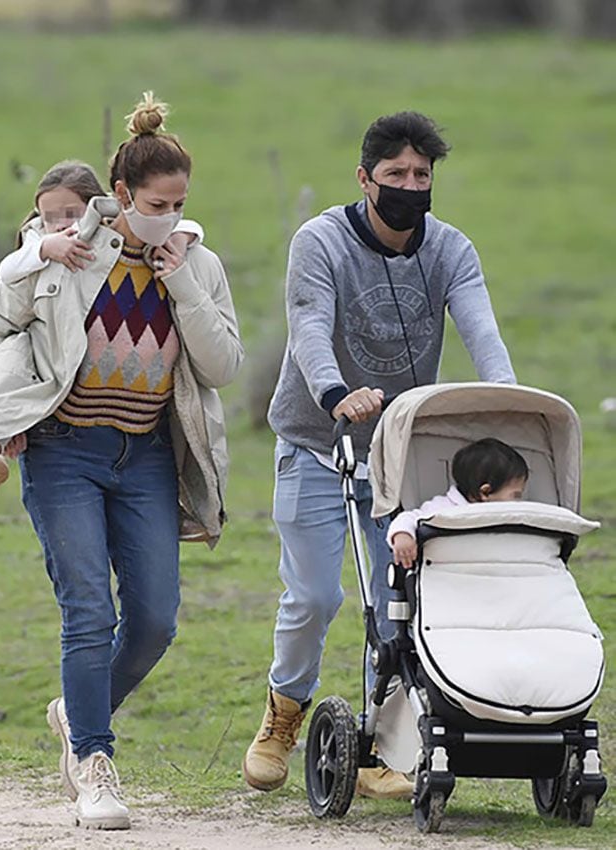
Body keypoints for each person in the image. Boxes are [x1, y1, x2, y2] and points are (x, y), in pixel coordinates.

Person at [0, 92, 243, 830]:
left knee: (153, 620)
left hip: (148, 455)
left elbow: (221, 367)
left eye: (181, 201)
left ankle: (74, 708)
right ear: (120, 196)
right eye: (158, 202)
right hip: (64, 453)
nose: (172, 213)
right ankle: (94, 761)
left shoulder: (197, 263)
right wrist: (9, 410)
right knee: (88, 610)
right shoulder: (68, 252)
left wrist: (181, 276)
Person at [243, 111, 516, 801]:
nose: (408, 186)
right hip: (316, 437)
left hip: (398, 451)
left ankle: (383, 738)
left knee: (393, 601)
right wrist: (336, 392)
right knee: (312, 595)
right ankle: (282, 714)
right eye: (394, 175)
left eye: (420, 175)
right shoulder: (321, 242)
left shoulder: (450, 249)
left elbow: (480, 328)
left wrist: (508, 400)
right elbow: (308, 322)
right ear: (364, 179)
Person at [0, 159, 205, 501]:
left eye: (71, 213)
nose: (60, 224)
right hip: (40, 381)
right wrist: (45, 249)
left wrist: (182, 235)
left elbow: (184, 222)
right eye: (49, 216)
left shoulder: (118, 237)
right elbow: (6, 273)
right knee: (8, 363)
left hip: (138, 431)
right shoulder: (41, 244)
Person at [388, 438, 529, 569]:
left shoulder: (512, 516)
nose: (519, 503)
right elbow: (410, 518)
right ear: (485, 492)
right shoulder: (444, 508)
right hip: (453, 575)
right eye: (516, 495)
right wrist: (402, 535)